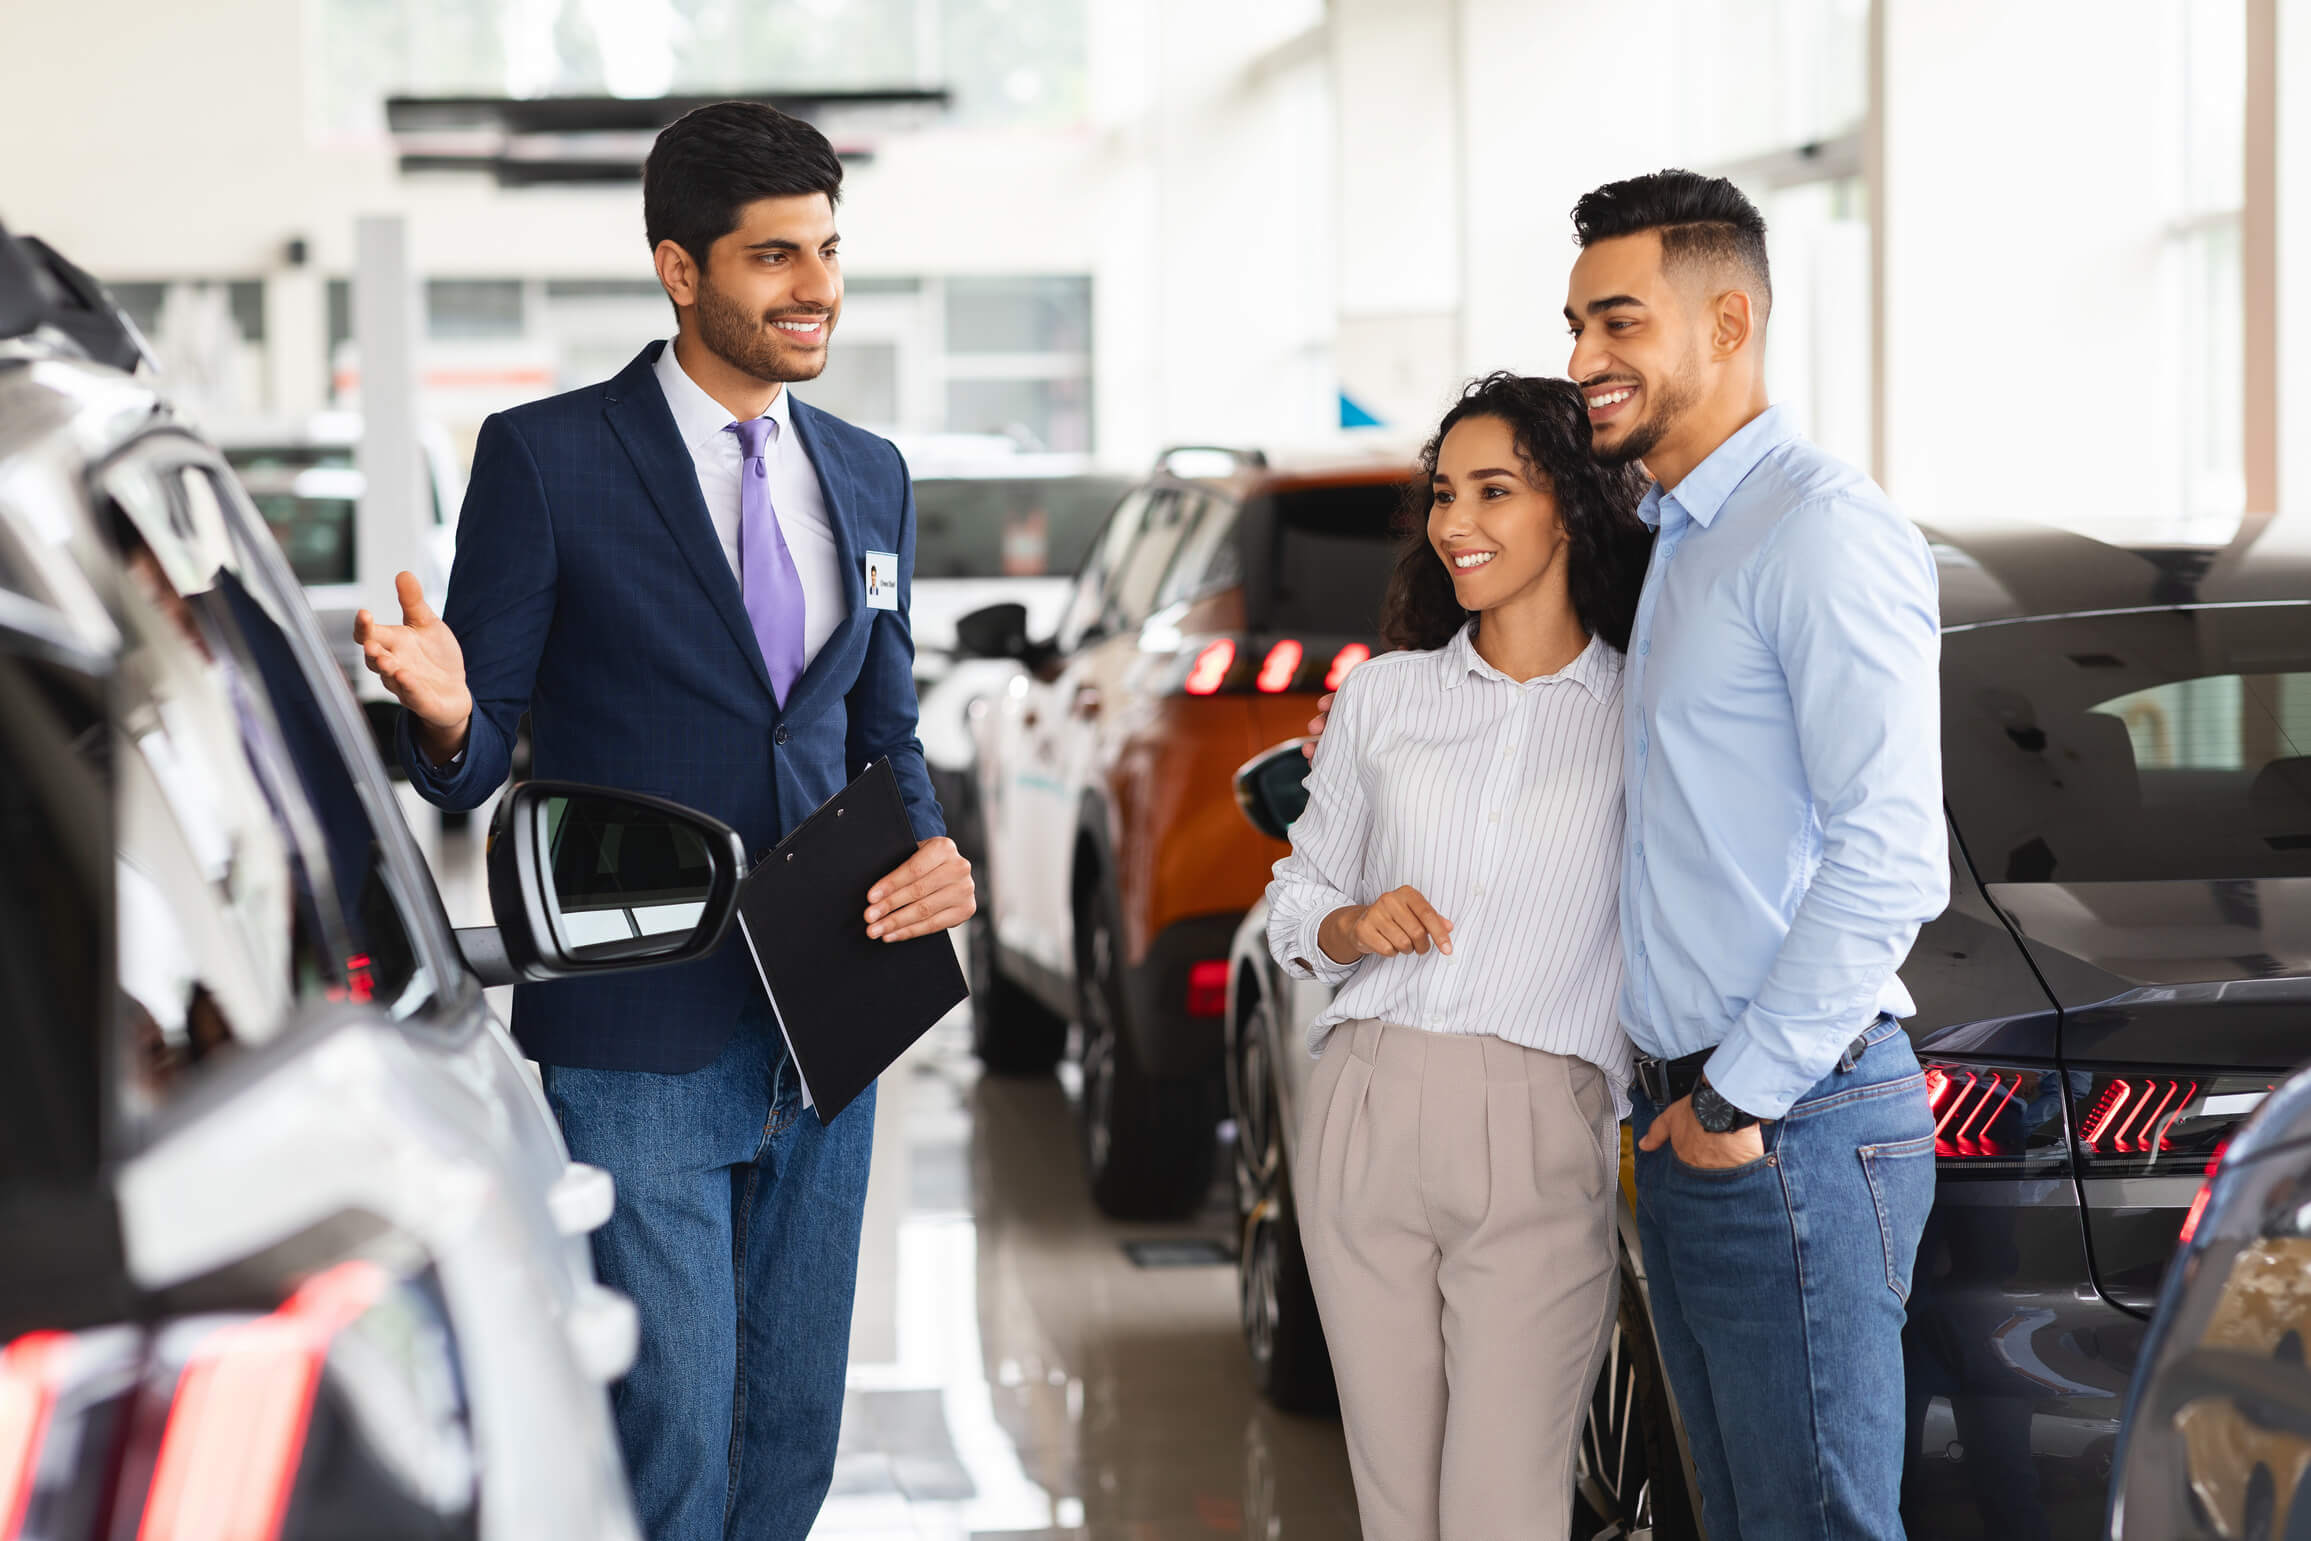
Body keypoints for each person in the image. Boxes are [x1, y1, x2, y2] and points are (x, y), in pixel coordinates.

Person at [351, 102, 975, 1541]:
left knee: (787, 1433)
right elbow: (471, 763)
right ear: (679, 271)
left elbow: (878, 726)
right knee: (675, 1437)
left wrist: (933, 852)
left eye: (826, 249)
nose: (814, 286)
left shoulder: (868, 473)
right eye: (773, 257)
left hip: (831, 1011)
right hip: (636, 1016)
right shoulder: (550, 458)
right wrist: (446, 712)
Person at [1567, 171, 1944, 1540]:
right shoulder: (1684, 539)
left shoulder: (1814, 529)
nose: (1583, 364)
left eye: (1618, 324)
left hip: (1786, 1122)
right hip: (1697, 1125)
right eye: (1575, 327)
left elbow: (1890, 855)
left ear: (1726, 321)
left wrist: (1735, 1100)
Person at [1266, 373, 1651, 1541]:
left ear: (1572, 511)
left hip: (1541, 1113)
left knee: (1501, 1509)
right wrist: (1347, 923)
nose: (1454, 523)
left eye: (1494, 491)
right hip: (1365, 1103)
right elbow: (1298, 898)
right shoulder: (1384, 694)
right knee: (1397, 1506)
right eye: (1443, 493)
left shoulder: (1647, 709)